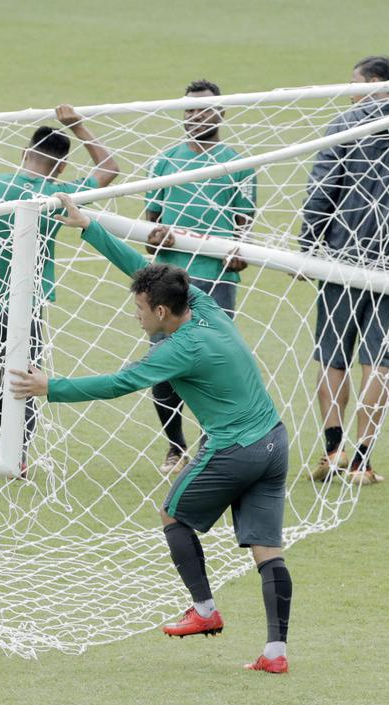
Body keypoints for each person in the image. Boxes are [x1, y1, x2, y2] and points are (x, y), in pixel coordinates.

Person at [10, 193, 293, 674]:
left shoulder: (176, 350)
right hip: (274, 442)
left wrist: (49, 387)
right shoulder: (201, 304)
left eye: (140, 307)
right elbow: (141, 269)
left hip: (235, 450)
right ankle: (275, 653)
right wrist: (88, 227)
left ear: (162, 312)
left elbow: (119, 383)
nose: (135, 313)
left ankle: (204, 610)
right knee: (268, 552)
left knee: (172, 515)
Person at [300, 55, 389, 485]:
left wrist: (307, 246)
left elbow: (322, 188)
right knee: (379, 360)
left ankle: (333, 449)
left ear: (375, 82)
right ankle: (362, 462)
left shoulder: (345, 125)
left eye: (355, 84)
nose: (351, 94)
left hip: (341, 258)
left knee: (332, 355)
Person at [0, 104, 118, 455]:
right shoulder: (59, 197)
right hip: (24, 307)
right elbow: (110, 168)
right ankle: (18, 454)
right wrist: (77, 124)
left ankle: (1, 451)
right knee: (25, 381)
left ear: (24, 153)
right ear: (61, 166)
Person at [143, 80, 256, 475]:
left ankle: (214, 444)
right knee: (162, 364)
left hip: (216, 279)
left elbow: (243, 224)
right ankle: (175, 447)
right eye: (189, 109)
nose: (195, 116)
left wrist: (240, 252)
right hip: (167, 280)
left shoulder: (238, 164)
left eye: (204, 109)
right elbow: (151, 224)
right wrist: (153, 239)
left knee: (213, 364)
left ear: (221, 112)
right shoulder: (163, 162)